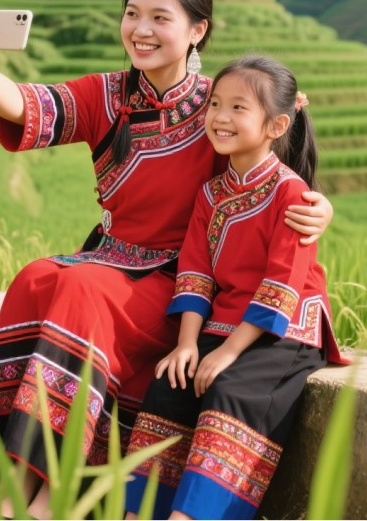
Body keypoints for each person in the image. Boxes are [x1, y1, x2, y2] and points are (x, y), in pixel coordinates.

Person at [0, 0, 335, 520]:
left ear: (197, 29)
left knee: (83, 290)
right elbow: (25, 106)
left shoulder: (218, 104)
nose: (141, 29)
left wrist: (318, 205)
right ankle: (14, 494)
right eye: (132, 14)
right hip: (111, 257)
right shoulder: (108, 95)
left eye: (161, 17)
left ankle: (40, 506)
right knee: (37, 277)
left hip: (180, 277)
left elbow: (274, 160)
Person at [123, 55, 348, 521]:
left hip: (283, 332)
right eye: (215, 104)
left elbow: (283, 283)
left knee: (228, 389)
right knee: (170, 383)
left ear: (277, 124)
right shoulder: (210, 193)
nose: (221, 117)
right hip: (221, 325)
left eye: (238, 108)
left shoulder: (292, 194)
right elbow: (196, 273)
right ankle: (139, 513)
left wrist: (226, 352)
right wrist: (187, 344)